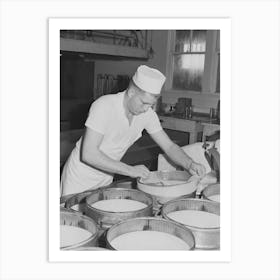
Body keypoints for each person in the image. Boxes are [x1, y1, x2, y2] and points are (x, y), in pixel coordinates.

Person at [61, 65, 206, 196]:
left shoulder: (147, 113)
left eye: (151, 105)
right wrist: (131, 170)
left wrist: (189, 164)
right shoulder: (104, 106)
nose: (146, 109)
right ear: (131, 92)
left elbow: (169, 146)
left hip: (105, 178)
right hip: (78, 180)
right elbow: (89, 154)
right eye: (143, 103)